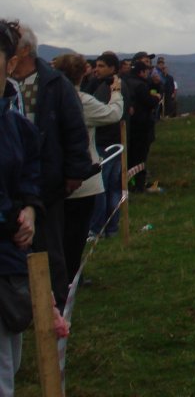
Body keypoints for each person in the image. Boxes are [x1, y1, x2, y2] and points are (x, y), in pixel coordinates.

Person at [7, 24, 95, 312]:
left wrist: (74, 172)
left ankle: (53, 309)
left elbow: (74, 129)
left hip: (47, 182)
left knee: (48, 249)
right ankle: (18, 303)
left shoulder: (55, 84)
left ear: (24, 50)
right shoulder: (6, 83)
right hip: (9, 181)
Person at [0, 20, 43, 397]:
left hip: (9, 263)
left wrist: (29, 208)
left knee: (8, 364)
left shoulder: (15, 125)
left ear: (10, 63)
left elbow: (29, 171)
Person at [51, 54, 122, 285]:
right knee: (75, 235)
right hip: (84, 176)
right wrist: (116, 92)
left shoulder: (48, 100)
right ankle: (70, 279)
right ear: (83, 73)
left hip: (53, 174)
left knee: (56, 234)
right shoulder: (81, 100)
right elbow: (113, 114)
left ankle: (56, 278)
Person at [84, 52, 124, 238]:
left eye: (101, 66)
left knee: (101, 187)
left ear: (112, 68)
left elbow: (103, 112)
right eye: (96, 66)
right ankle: (111, 227)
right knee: (112, 187)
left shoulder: (109, 87)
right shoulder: (111, 84)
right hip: (116, 141)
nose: (96, 70)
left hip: (105, 143)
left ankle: (97, 227)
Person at [123, 60, 161, 193]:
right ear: (142, 72)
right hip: (141, 125)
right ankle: (139, 184)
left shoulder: (125, 82)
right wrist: (156, 97)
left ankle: (129, 182)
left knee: (130, 155)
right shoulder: (140, 85)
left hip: (129, 125)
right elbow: (149, 102)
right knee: (140, 157)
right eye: (146, 71)